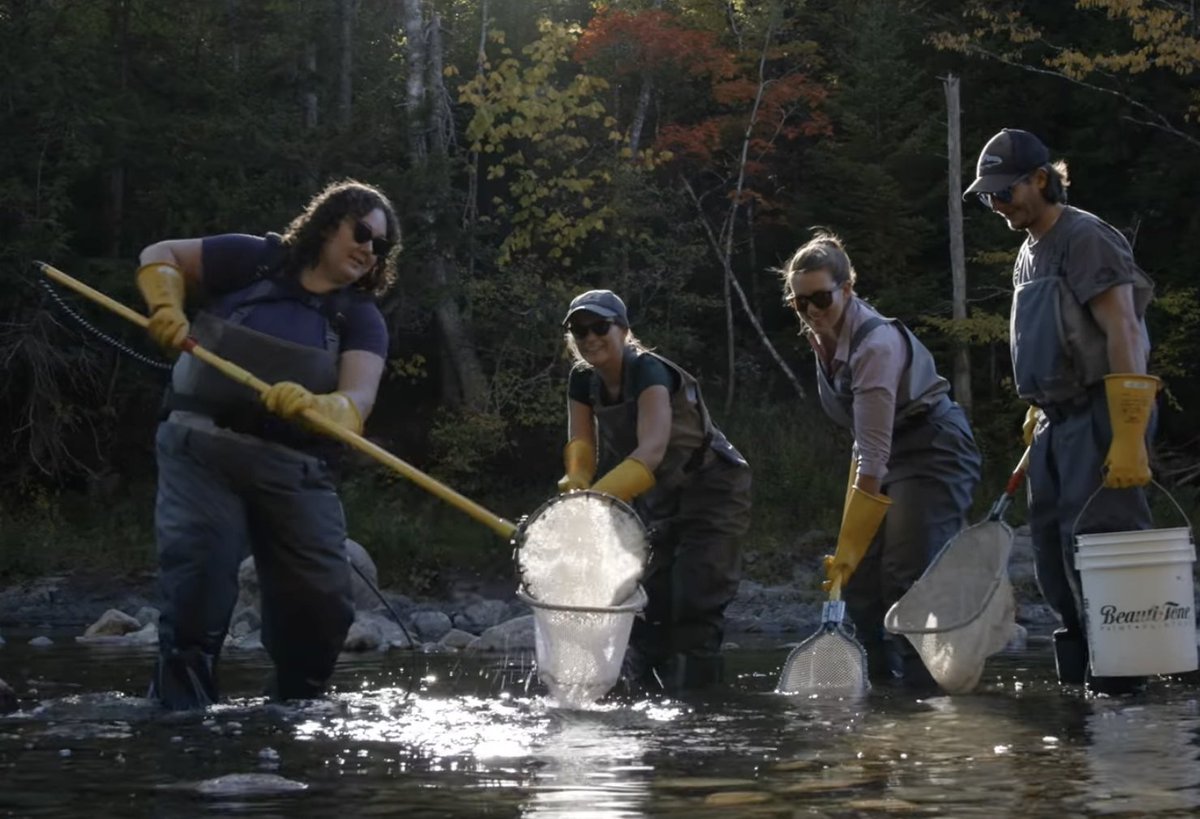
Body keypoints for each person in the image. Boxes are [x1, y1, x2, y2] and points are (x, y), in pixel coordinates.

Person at [135, 179, 400, 709]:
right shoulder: (251, 259)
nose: (370, 249)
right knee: (198, 592)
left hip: (294, 468)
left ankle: (292, 718)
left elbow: (358, 400)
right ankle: (183, 725)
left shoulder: (360, 319)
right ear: (329, 222)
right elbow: (160, 254)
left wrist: (324, 406)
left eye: (382, 246)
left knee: (321, 607)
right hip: (200, 450)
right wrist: (166, 303)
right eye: (364, 232)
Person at [964, 128, 1158, 695]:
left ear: (1042, 180)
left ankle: (1127, 695)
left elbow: (1124, 330)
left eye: (1006, 191)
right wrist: (1036, 412)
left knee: (1101, 549)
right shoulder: (1027, 252)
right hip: (1053, 422)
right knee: (1053, 556)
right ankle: (1082, 700)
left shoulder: (1085, 236)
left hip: (1103, 412)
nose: (997, 204)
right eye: (988, 196)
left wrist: (1129, 433)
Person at [779, 233, 981, 688]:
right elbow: (865, 443)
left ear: (847, 289)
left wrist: (848, 540)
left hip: (934, 448)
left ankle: (923, 693)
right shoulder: (822, 338)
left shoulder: (875, 345)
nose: (811, 311)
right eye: (799, 303)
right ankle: (882, 686)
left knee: (905, 574)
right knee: (862, 581)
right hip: (881, 451)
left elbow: (874, 452)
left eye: (821, 299)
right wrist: (852, 551)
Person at [557, 289, 752, 691]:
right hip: (658, 495)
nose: (589, 338)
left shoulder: (649, 371)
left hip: (713, 487)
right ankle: (649, 713)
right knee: (650, 608)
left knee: (695, 604)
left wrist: (593, 504)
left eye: (599, 327)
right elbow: (581, 445)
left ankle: (701, 714)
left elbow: (651, 450)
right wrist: (577, 482)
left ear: (624, 331)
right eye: (579, 330)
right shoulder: (581, 378)